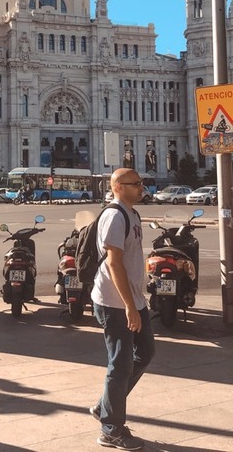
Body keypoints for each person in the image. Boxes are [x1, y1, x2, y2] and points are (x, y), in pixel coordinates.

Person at [90, 168, 154, 450]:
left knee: (146, 352)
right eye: (135, 183)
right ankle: (111, 429)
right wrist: (130, 307)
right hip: (115, 302)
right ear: (118, 187)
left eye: (141, 183)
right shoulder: (115, 216)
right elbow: (114, 263)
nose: (142, 187)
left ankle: (107, 406)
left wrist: (137, 302)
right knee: (120, 363)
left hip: (133, 300)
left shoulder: (133, 214)